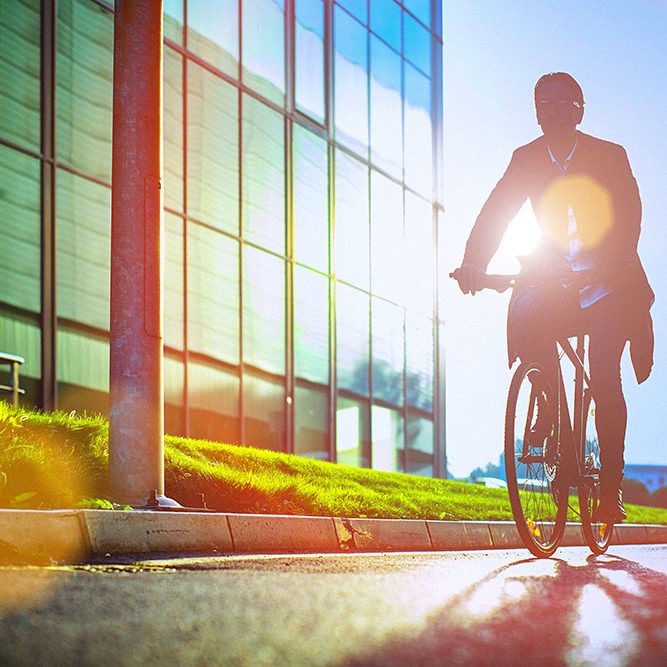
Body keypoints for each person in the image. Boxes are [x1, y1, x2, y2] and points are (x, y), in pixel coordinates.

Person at [452, 72, 654, 523]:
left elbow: (629, 216)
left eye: (563, 105)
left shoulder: (608, 155)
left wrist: (615, 263)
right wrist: (473, 262)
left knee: (604, 375)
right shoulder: (525, 158)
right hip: (554, 279)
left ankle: (609, 487)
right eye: (543, 104)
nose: (552, 112)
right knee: (528, 316)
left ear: (579, 111)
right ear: (536, 111)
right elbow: (496, 211)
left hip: (609, 284)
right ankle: (547, 399)